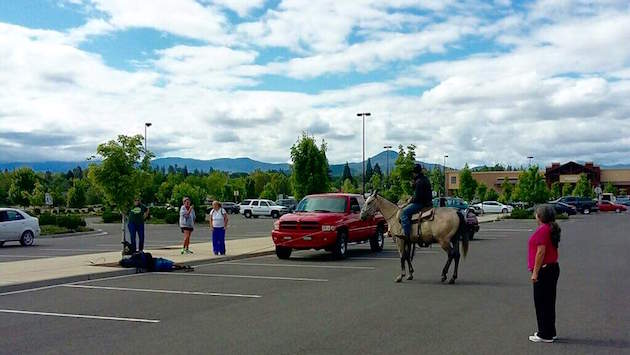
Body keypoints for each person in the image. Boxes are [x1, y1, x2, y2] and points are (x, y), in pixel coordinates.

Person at [528, 204, 561, 343]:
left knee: (541, 303)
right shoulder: (550, 229)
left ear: (540, 216)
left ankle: (544, 334)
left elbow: (541, 252)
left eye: (536, 213)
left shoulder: (543, 230)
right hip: (552, 268)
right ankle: (550, 331)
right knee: (548, 302)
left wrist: (535, 272)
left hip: (545, 270)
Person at [400, 164, 433, 239]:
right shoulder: (425, 179)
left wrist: (409, 201)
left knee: (404, 213)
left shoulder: (419, 182)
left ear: (415, 173)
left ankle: (406, 234)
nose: (412, 174)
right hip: (428, 202)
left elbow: (418, 197)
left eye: (413, 173)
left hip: (421, 203)